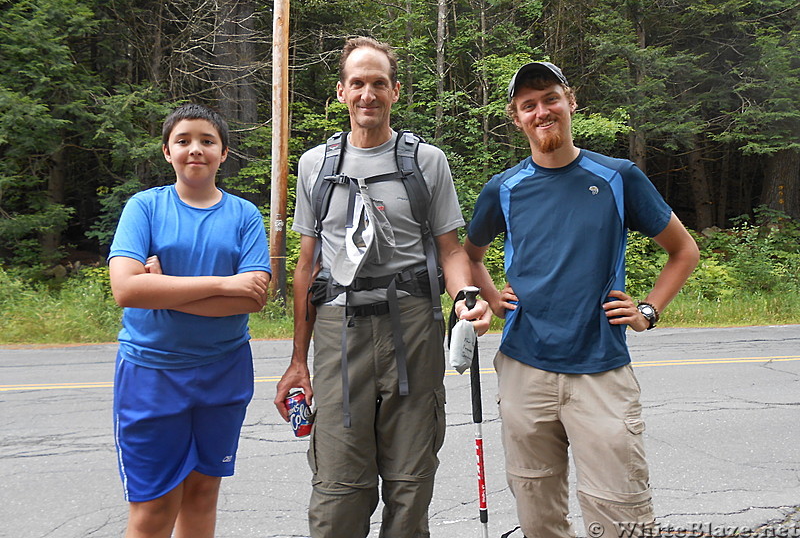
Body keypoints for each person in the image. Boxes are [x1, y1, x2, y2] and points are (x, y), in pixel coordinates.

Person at [464, 62, 700, 538]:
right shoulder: (503, 189)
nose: (541, 111)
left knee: (622, 515)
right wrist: (492, 296)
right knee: (538, 516)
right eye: (528, 105)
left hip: (602, 370)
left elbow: (683, 250)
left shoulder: (617, 177)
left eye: (550, 98)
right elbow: (468, 255)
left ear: (570, 101)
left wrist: (648, 311)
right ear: (516, 118)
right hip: (524, 369)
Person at [274, 36, 491, 538]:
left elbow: (451, 250)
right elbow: (307, 268)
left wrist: (466, 297)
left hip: (413, 327)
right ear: (341, 92)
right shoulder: (314, 166)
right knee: (338, 488)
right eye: (358, 83)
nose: (367, 93)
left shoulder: (427, 161)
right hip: (337, 331)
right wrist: (297, 361)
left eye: (378, 83)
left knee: (410, 482)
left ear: (394, 91)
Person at [108, 103, 272, 538]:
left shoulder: (243, 215)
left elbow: (253, 298)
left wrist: (164, 292)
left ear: (223, 152)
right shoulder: (144, 208)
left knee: (202, 496)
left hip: (224, 371)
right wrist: (223, 284)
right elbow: (127, 290)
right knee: (154, 509)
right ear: (167, 152)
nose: (194, 149)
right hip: (151, 374)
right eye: (183, 141)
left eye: (206, 141)